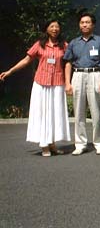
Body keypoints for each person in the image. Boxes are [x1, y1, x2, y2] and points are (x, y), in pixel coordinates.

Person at [0, 20, 70, 157]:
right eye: (52, 26)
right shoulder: (39, 44)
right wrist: (10, 71)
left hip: (57, 83)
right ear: (47, 29)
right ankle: (44, 145)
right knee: (43, 113)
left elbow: (68, 63)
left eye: (57, 27)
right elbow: (26, 60)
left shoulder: (64, 46)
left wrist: (68, 82)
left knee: (55, 114)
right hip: (41, 84)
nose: (55, 29)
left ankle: (52, 144)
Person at [64, 13, 100, 155]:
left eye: (87, 22)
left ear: (93, 25)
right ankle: (80, 143)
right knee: (79, 112)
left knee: (97, 112)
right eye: (82, 22)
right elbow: (68, 63)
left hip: (96, 74)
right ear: (79, 25)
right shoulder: (73, 42)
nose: (84, 25)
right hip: (78, 75)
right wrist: (67, 83)